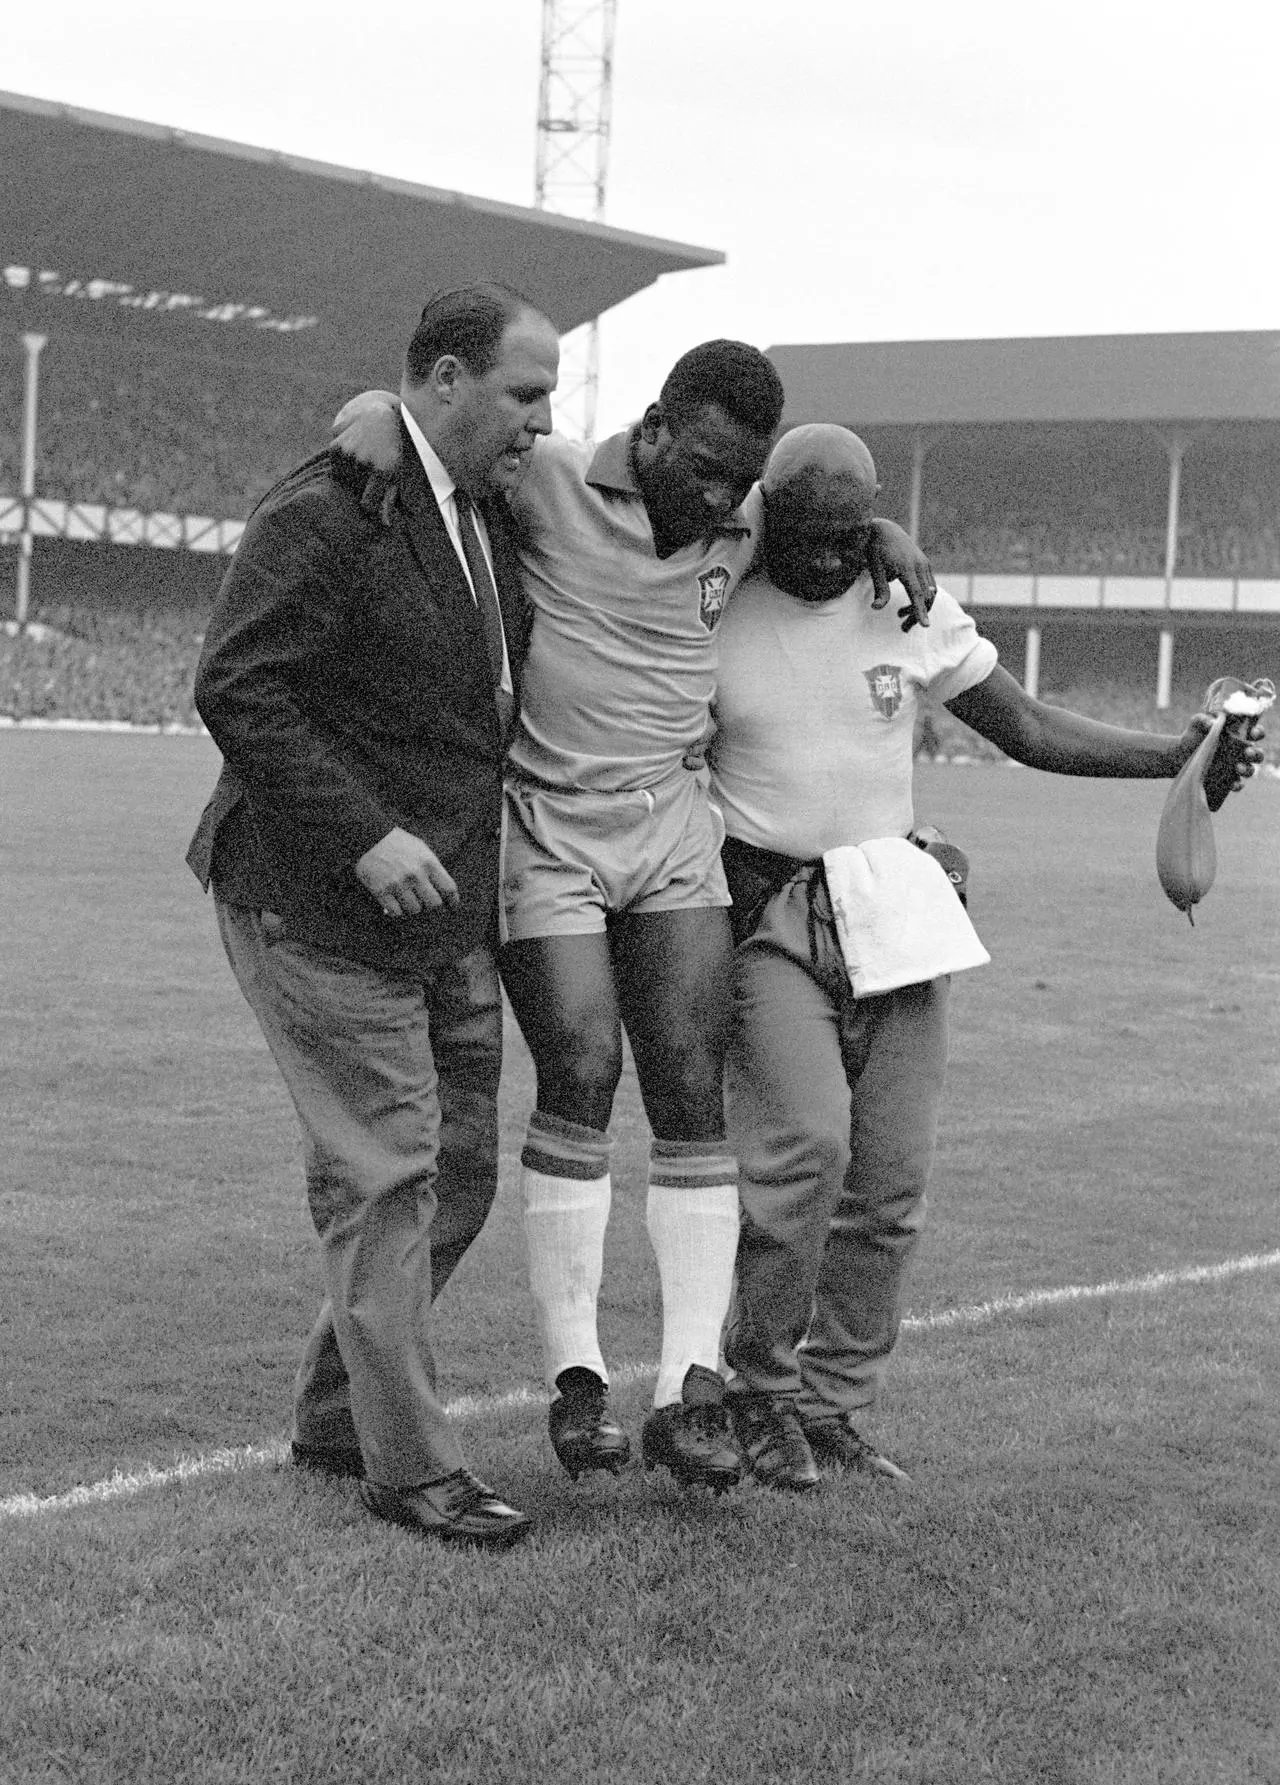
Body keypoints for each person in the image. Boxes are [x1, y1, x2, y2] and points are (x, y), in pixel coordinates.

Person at [330, 348, 936, 1493]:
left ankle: (689, 1394)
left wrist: (886, 534)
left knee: (690, 1086)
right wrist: (371, 408)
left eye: (737, 482)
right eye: (704, 470)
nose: (718, 502)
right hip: (550, 822)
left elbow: (817, 506)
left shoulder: (749, 515)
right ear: (650, 429)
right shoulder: (549, 476)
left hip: (672, 822)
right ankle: (575, 1384)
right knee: (579, 1067)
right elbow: (432, 441)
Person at [707, 424, 1266, 1492]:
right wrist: (873, 525)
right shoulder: (715, 589)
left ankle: (831, 1408)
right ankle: (757, 1396)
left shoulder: (897, 596)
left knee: (890, 1185)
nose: (829, 563)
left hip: (893, 906)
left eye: (846, 538)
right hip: (768, 903)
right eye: (811, 538)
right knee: (802, 1158)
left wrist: (1176, 757)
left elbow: (1017, 723)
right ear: (766, 515)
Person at [187, 283, 560, 1548]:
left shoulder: (483, 506)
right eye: (523, 394)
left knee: (457, 1172)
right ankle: (413, 1467)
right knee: (390, 1175)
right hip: (315, 903)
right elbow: (238, 685)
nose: (543, 422)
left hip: (443, 911)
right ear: (443, 381)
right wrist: (366, 833)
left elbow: (654, 470)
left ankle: (337, 1417)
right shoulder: (329, 506)